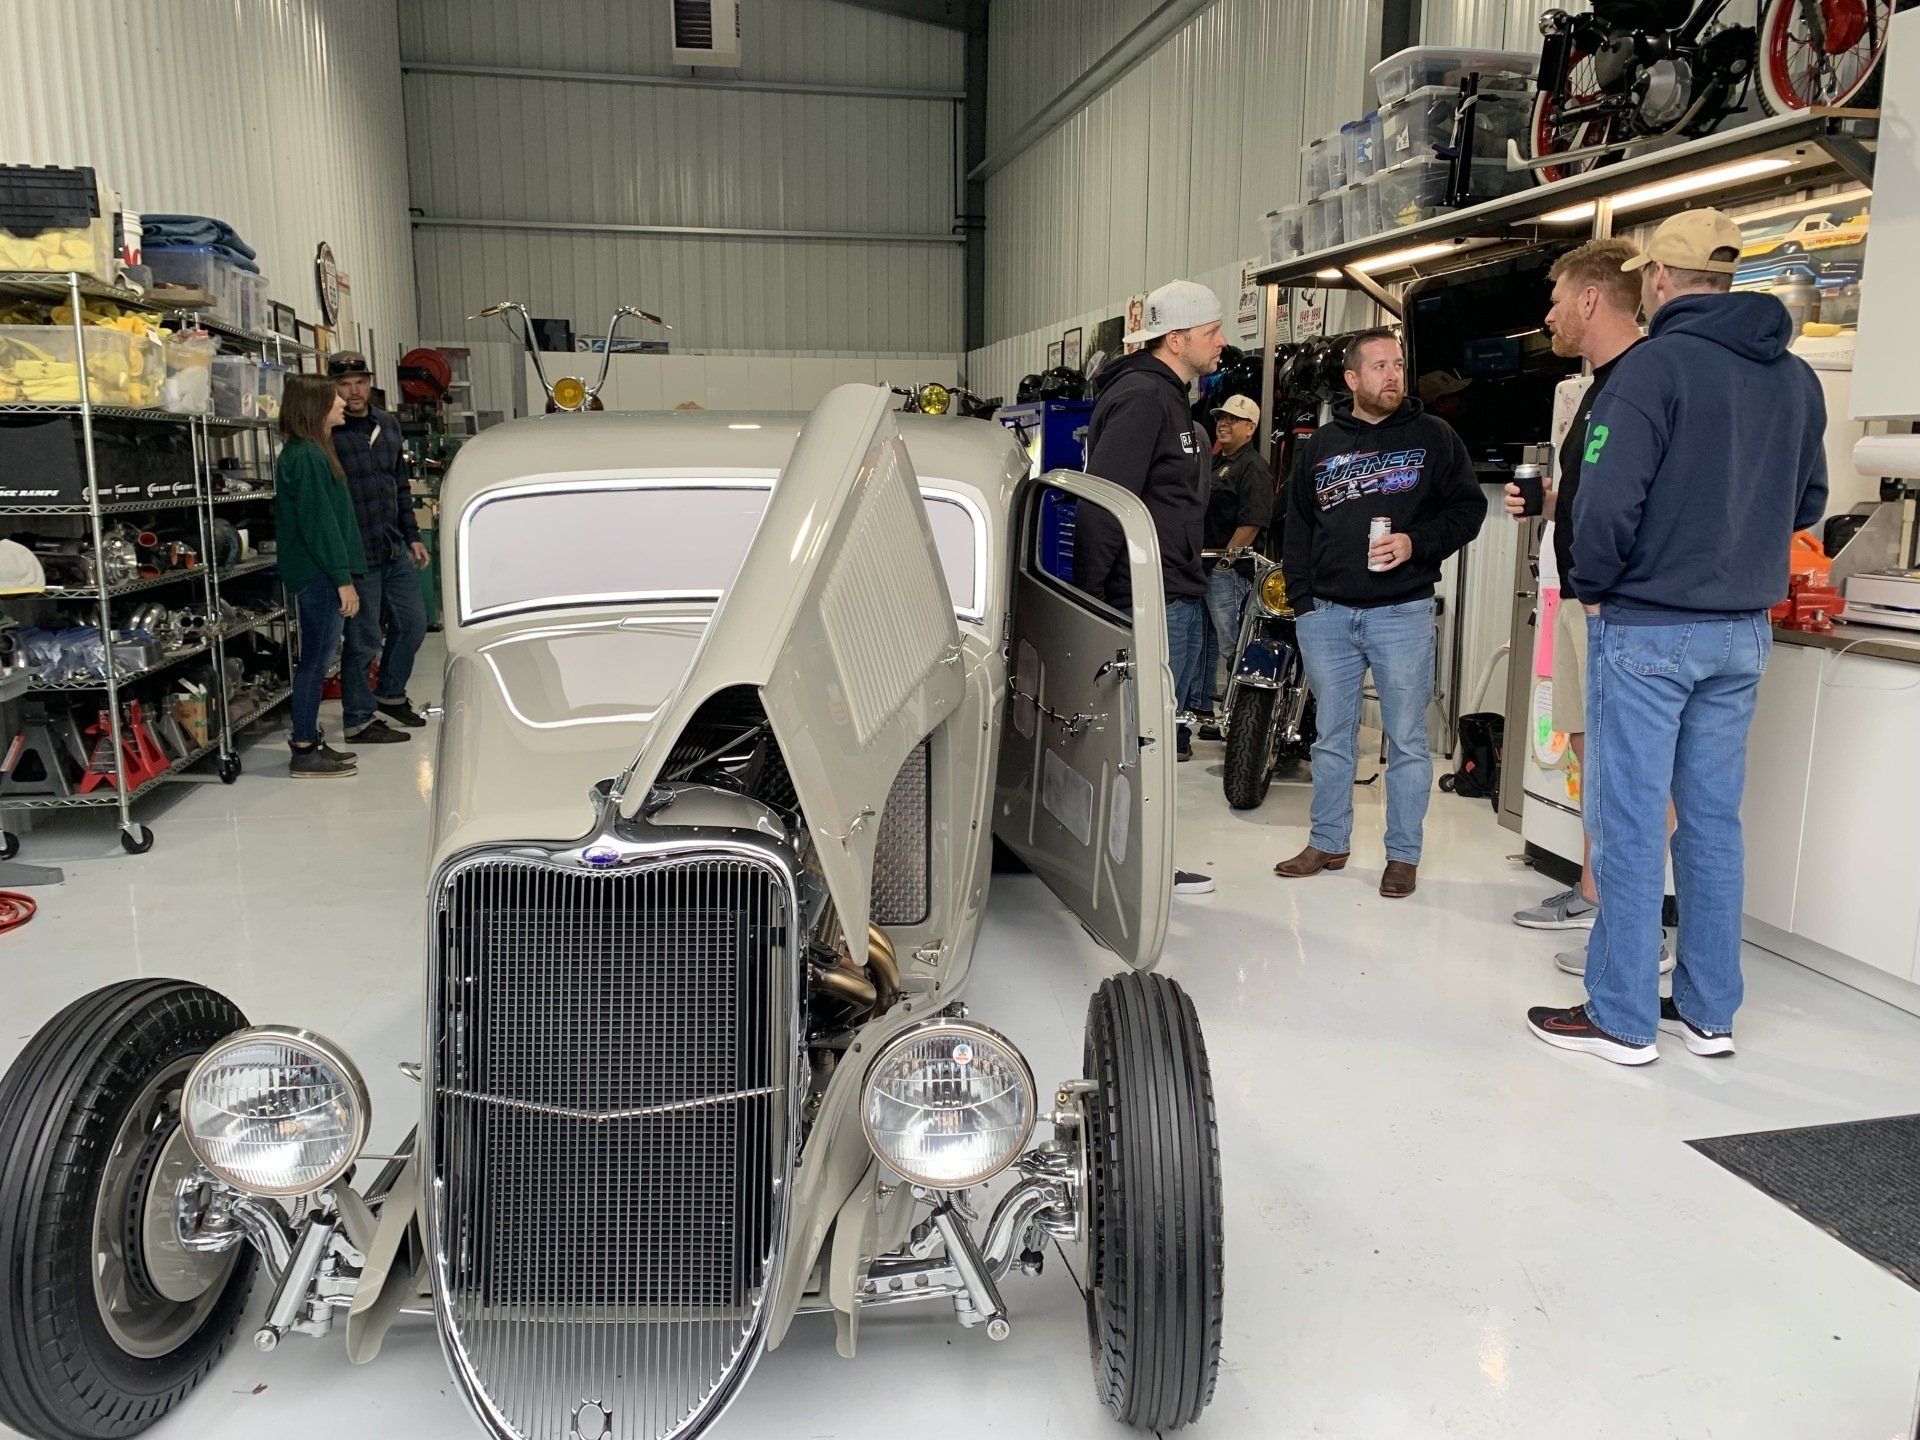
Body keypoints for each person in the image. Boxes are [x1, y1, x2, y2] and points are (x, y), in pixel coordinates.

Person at [1527, 209, 1828, 1066]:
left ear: (1658, 280)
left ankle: (1621, 1015)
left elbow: (1607, 505)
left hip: (1650, 625)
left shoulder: (1651, 370)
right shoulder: (1797, 378)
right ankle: (1707, 1010)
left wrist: (1596, 591)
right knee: (1711, 824)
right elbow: (1808, 506)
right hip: (1743, 635)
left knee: (1627, 824)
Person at [1502, 237, 1676, 980]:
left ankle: (1649, 927)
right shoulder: (1593, 386)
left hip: (1615, 609)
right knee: (1584, 752)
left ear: (1590, 299)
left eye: (1555, 300)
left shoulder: (1643, 379)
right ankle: (1593, 891)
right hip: (1576, 598)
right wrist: (1548, 503)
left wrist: (1603, 595)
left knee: (1636, 775)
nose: (1548, 316)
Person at [1273, 330, 1486, 899]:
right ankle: (1328, 841)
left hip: (1403, 613)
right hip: (1329, 617)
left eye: (1397, 365)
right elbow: (1295, 527)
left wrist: (1416, 543)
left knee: (1408, 741)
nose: (1392, 376)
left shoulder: (1434, 437)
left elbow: (1469, 509)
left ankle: (1402, 855)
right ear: (1351, 380)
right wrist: (1305, 604)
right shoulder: (1318, 448)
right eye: (1379, 367)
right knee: (1331, 737)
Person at [1075, 278, 1226, 896]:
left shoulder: (1169, 399)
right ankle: (1135, 873)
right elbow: (1104, 504)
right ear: (1178, 338)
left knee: (1152, 741)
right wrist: (1085, 602)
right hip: (1146, 600)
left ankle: (1137, 864)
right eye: (1213, 331)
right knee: (1143, 741)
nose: (1222, 342)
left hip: (1168, 592)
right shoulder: (1144, 399)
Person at [329, 351, 430, 746]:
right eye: (345, 383)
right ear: (334, 388)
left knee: (414, 623)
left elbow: (399, 486)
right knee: (364, 639)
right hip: (358, 553)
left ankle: (390, 693)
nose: (354, 391)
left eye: (360, 382)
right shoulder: (330, 431)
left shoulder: (387, 425)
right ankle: (357, 719)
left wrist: (413, 535)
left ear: (369, 383)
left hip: (392, 546)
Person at [275, 375, 365, 780]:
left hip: (319, 572)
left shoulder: (311, 451)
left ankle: (307, 737)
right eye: (335, 398)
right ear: (314, 407)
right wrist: (341, 578)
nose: (344, 402)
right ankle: (304, 748)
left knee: (318, 658)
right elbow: (319, 524)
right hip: (318, 575)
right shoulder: (308, 457)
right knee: (315, 661)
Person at [1195, 393, 1274, 737]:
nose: (1223, 423)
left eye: (1233, 419)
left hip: (1230, 574)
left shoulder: (1252, 466)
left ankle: (1240, 726)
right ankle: (1213, 712)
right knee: (1212, 646)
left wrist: (1225, 563)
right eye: (1220, 418)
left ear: (1251, 427)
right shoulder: (1216, 462)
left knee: (1233, 648)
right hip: (1208, 569)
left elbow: (1252, 521)